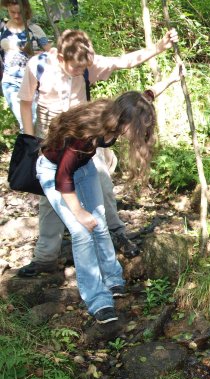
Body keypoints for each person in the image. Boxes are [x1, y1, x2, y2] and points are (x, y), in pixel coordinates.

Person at [17, 28, 178, 277]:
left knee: (103, 185)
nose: (81, 71)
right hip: (54, 136)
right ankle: (45, 257)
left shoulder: (89, 69)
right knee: (51, 197)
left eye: (85, 67)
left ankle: (116, 233)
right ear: (60, 57)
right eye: (76, 67)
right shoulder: (38, 66)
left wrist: (160, 50)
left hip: (91, 133)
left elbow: (125, 64)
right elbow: (25, 102)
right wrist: (30, 141)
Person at [36, 71, 181, 324]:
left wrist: (171, 79)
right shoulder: (87, 132)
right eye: (139, 128)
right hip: (54, 171)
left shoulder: (123, 111)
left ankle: (113, 279)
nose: (141, 132)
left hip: (84, 167)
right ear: (126, 121)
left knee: (100, 223)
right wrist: (79, 212)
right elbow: (63, 178)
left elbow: (146, 96)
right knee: (82, 231)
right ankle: (98, 301)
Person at [0, 0, 49, 130]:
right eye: (12, 12)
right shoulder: (2, 29)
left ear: (26, 10)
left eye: (19, 12)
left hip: (32, 82)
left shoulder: (34, 29)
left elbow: (51, 53)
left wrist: (39, 55)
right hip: (11, 82)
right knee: (26, 122)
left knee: (36, 122)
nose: (16, 16)